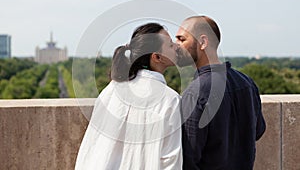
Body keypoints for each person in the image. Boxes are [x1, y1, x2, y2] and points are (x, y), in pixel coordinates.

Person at [75, 23, 182, 170]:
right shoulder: (169, 99)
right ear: (157, 57)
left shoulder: (112, 89)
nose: (176, 46)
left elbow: (91, 146)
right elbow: (170, 160)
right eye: (170, 45)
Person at [175, 16, 266, 170]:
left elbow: (189, 156)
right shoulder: (246, 82)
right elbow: (258, 130)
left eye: (181, 39)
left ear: (203, 42)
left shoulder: (196, 91)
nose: (175, 45)